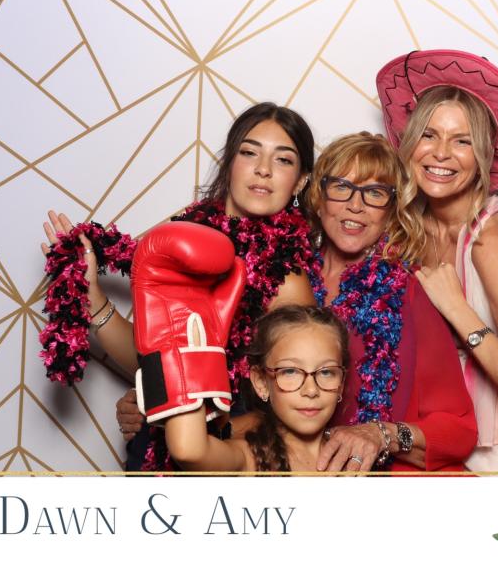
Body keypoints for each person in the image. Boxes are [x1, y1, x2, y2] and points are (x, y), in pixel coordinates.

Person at [41, 102, 319, 470]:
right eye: (249, 152)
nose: (263, 169)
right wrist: (92, 295)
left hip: (223, 455)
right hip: (154, 451)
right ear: (230, 162)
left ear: (299, 181)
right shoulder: (182, 234)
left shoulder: (288, 280)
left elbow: (298, 405)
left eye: (283, 160)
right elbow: (152, 358)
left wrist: (207, 425)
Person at [376, 49, 498, 472]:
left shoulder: (490, 239)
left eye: (462, 141)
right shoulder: (407, 232)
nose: (441, 153)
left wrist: (457, 309)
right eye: (429, 135)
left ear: (484, 154)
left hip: (496, 450)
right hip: (428, 438)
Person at [306, 132, 477, 472]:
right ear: (318, 197)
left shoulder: (407, 292)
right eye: (341, 186)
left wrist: (381, 435)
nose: (356, 205)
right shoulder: (283, 275)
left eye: (375, 193)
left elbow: (459, 430)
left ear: (392, 210)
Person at [165, 305, 352, 473]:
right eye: (290, 371)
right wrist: (187, 341)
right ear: (261, 383)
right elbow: (189, 451)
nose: (311, 391)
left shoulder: (356, 455)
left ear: (341, 383)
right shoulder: (248, 457)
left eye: (326, 372)